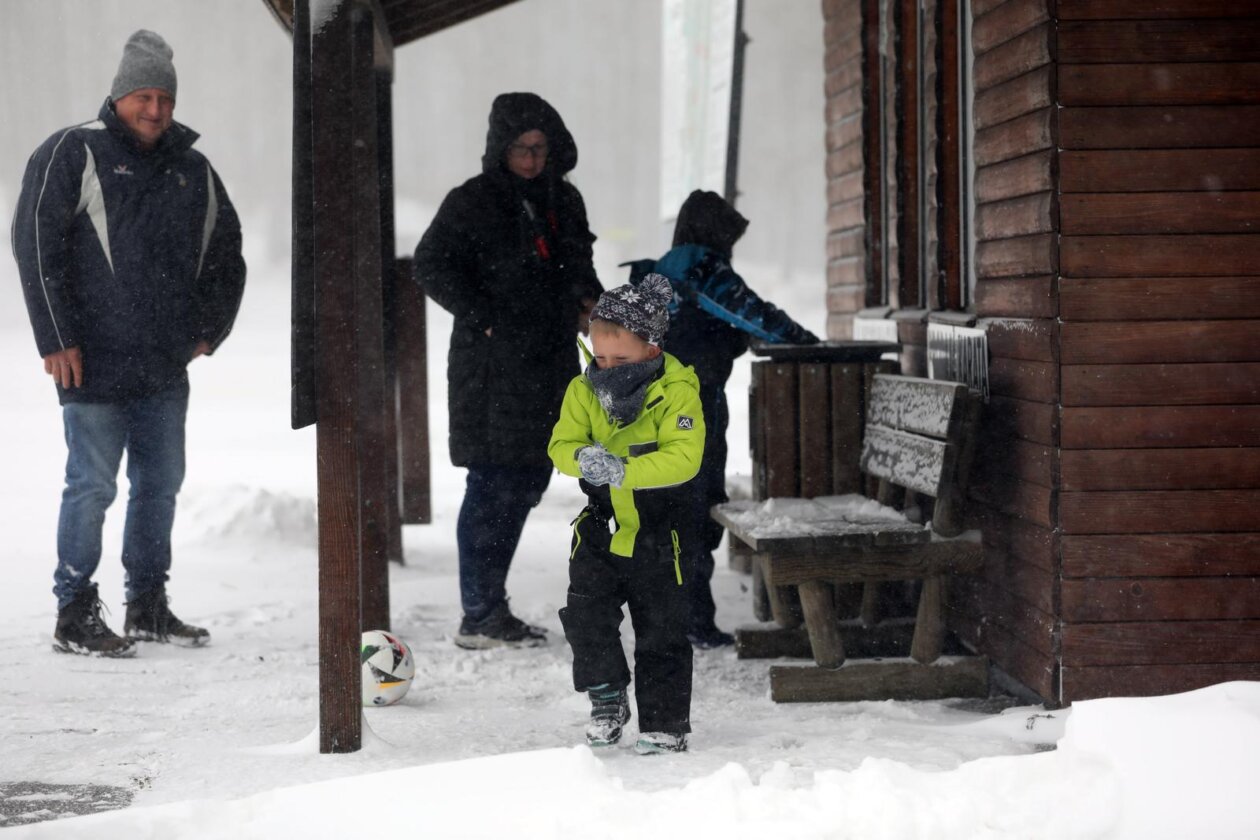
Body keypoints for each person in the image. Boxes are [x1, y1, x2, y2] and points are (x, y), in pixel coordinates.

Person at [12, 30, 246, 657]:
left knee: (159, 485)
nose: (155, 109)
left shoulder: (192, 169)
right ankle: (73, 610)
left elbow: (228, 252)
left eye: (164, 97)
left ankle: (147, 603)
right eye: (143, 95)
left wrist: (207, 330)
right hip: (90, 361)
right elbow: (33, 245)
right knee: (92, 485)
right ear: (118, 96)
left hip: (164, 368)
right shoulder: (73, 151)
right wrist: (57, 338)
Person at [415, 92, 603, 649]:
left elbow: (579, 265)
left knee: (528, 478)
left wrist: (588, 302)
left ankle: (490, 606)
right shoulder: (471, 202)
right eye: (520, 148)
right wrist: (486, 316)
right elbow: (430, 265)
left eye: (540, 148)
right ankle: (479, 611)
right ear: (500, 148)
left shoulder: (563, 202)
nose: (530, 159)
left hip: (549, 361)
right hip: (491, 367)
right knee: (493, 480)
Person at [627, 190, 819, 648]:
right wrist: (809, 343)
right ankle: (689, 619)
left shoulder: (662, 269)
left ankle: (667, 615)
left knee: (668, 506)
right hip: (689, 405)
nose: (728, 250)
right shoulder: (697, 265)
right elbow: (755, 316)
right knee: (694, 506)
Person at [548, 274, 704, 754]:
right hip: (601, 525)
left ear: (652, 352)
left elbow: (684, 456)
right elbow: (561, 444)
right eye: (600, 357)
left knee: (662, 629)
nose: (607, 367)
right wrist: (582, 460)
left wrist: (625, 469)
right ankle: (607, 696)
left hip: (663, 530)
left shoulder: (676, 391)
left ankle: (665, 723)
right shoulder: (584, 389)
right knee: (586, 615)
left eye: (621, 359)